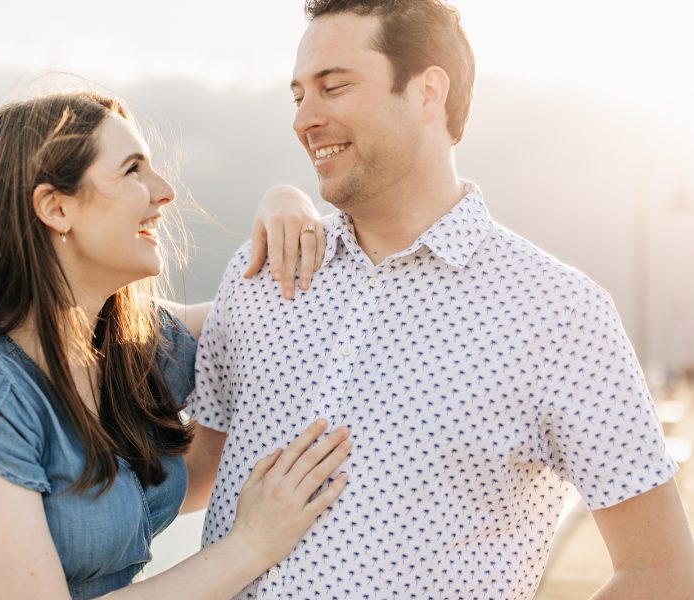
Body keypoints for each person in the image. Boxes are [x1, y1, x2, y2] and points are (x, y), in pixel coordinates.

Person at [185, 1, 694, 598]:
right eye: (298, 96)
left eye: (334, 87)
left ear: (428, 93)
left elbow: (661, 570)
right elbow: (187, 479)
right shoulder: (259, 276)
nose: (305, 120)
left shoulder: (559, 313)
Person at [0, 90, 353, 599]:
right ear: (56, 208)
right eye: (132, 171)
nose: (165, 192)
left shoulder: (135, 344)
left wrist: (288, 201)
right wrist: (250, 546)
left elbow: (255, 315)